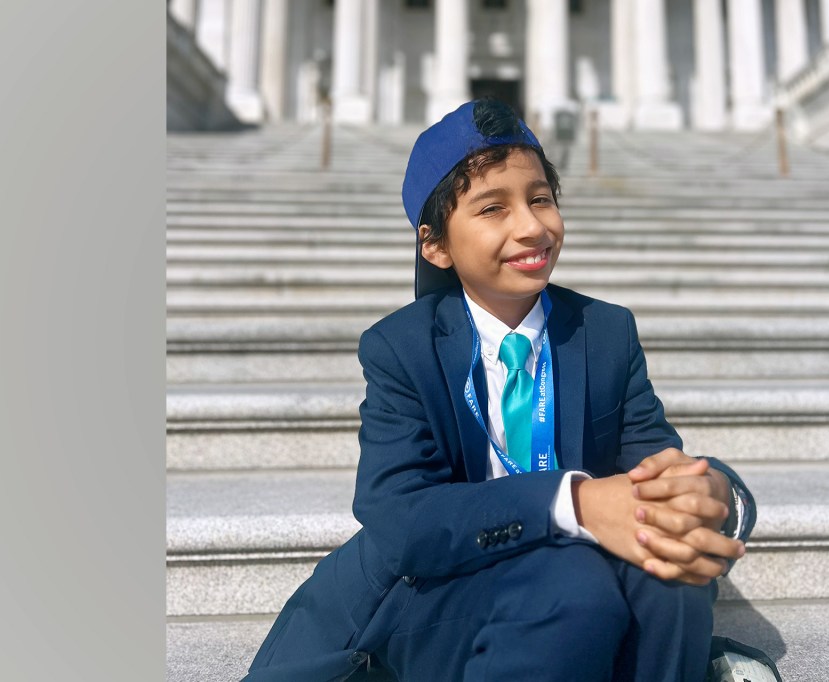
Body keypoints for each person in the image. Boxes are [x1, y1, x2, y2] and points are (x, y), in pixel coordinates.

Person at [245, 98, 756, 682]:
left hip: (571, 581)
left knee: (671, 576)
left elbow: (655, 461)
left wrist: (703, 487)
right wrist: (574, 502)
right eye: (493, 208)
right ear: (435, 244)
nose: (532, 225)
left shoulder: (605, 332)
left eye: (541, 198)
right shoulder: (402, 348)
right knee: (573, 585)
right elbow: (401, 516)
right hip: (442, 591)